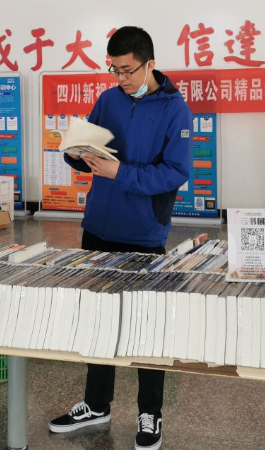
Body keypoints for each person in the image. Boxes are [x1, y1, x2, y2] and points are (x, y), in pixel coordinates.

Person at [48, 26, 192, 451]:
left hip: (144, 233)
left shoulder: (175, 109)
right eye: (114, 69)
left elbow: (175, 173)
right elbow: (89, 150)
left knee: (147, 326)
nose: (121, 78)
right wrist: (74, 154)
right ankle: (97, 404)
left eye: (128, 70)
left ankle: (150, 412)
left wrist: (121, 173)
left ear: (150, 64)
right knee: (97, 321)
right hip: (97, 227)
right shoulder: (108, 100)